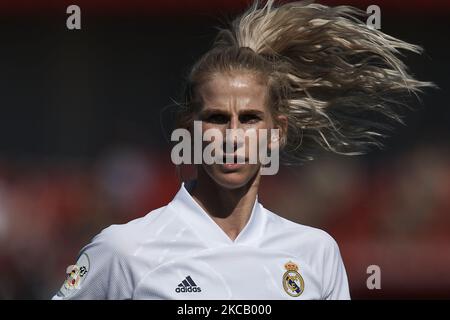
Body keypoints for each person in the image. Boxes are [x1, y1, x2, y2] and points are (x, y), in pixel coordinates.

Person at [52, 0, 433, 300]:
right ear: (190, 130)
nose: (233, 136)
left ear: (276, 133)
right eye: (217, 118)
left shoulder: (316, 253)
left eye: (250, 118)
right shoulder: (124, 251)